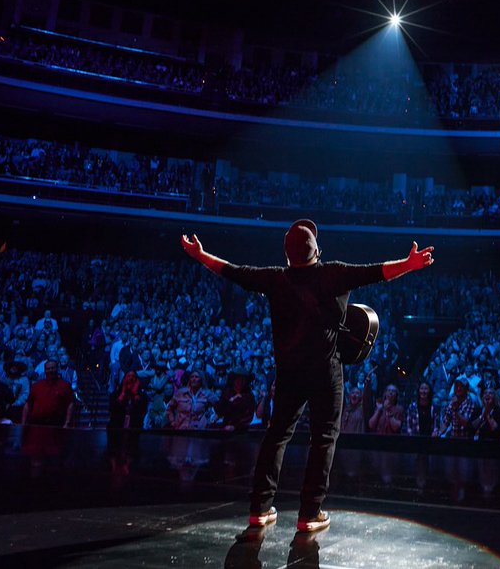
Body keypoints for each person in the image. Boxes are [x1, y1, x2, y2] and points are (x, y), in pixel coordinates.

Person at [180, 221, 434, 533]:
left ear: (287, 255)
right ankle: (309, 513)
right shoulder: (335, 272)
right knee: (324, 438)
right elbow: (378, 272)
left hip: (289, 372)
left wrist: (200, 254)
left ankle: (259, 508)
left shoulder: (275, 278)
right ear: (317, 250)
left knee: (277, 435)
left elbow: (232, 270)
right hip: (326, 371)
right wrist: (410, 264)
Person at [21, 359, 74, 428]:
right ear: (45, 370)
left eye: (52, 368)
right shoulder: (37, 385)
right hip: (36, 424)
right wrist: (23, 422)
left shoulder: (65, 386)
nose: (50, 370)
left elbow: (70, 404)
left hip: (57, 425)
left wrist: (67, 423)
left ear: (57, 369)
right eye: (48, 369)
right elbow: (28, 404)